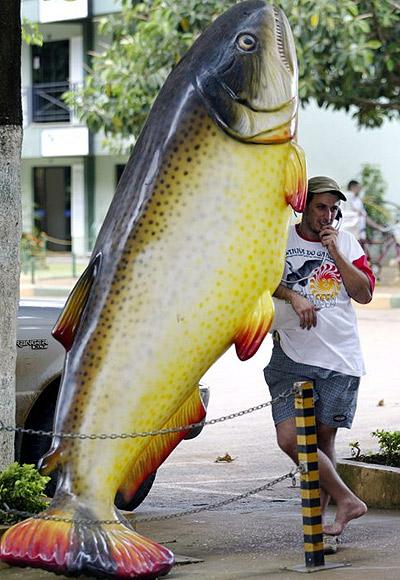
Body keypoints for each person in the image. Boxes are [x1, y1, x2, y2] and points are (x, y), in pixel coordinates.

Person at [264, 176, 375, 538]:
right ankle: (348, 500)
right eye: (320, 207)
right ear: (304, 207)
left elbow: (364, 294)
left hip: (338, 358)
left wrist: (336, 253)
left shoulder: (346, 242)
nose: (327, 215)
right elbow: (261, 281)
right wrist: (293, 297)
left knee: (324, 443)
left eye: (333, 209)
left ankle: (324, 526)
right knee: (291, 439)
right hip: (290, 353)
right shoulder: (280, 239)